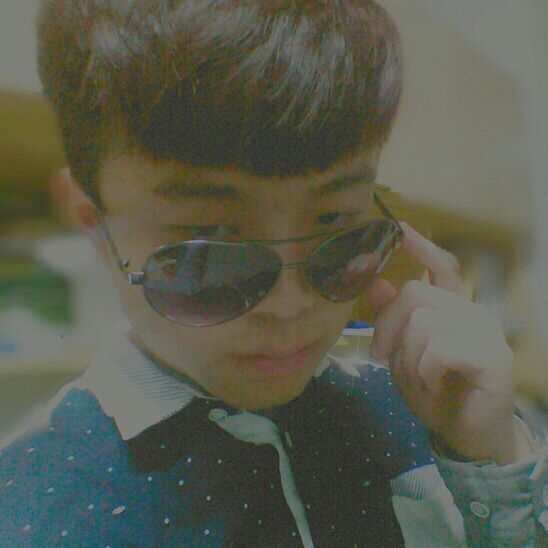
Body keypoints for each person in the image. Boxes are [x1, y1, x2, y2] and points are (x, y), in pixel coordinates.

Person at [1, 1, 546, 545]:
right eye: (209, 243)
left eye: (335, 224)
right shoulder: (33, 510)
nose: (290, 306)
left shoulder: (424, 413)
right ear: (96, 228)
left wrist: (493, 462)